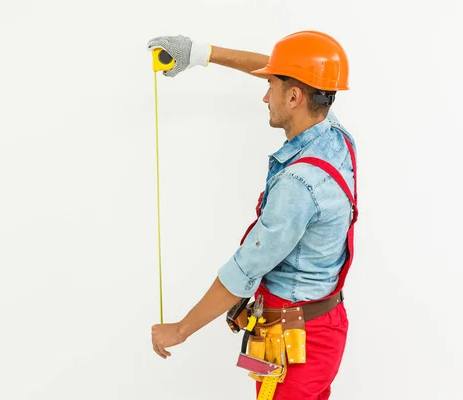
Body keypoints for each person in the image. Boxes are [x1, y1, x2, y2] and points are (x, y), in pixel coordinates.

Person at [147, 30, 358, 400]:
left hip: (297, 348)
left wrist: (179, 330)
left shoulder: (299, 184)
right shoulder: (333, 134)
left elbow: (243, 271)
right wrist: (201, 53)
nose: (264, 95)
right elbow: (287, 69)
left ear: (294, 97)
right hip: (318, 328)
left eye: (271, 87)